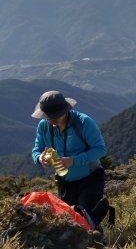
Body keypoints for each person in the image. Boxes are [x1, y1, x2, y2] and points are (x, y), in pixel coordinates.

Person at [31, 90, 108, 229]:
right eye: (48, 116)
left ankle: (97, 242)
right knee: (70, 220)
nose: (50, 120)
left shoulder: (83, 122)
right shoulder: (44, 126)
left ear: (65, 110)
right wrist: (39, 158)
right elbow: (36, 149)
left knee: (86, 218)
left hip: (90, 178)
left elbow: (100, 149)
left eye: (53, 116)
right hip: (64, 182)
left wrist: (74, 160)